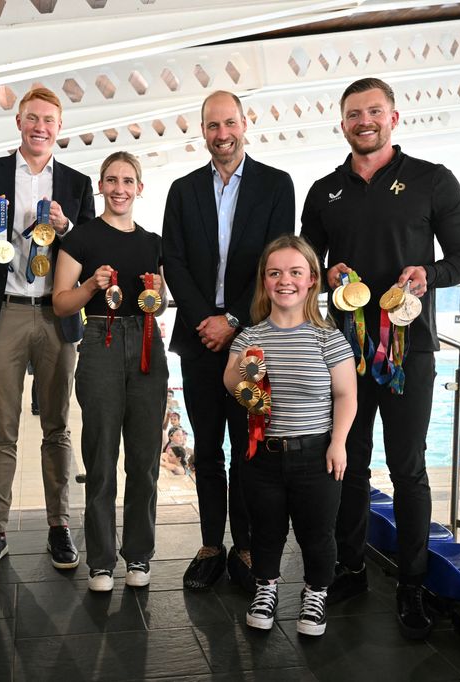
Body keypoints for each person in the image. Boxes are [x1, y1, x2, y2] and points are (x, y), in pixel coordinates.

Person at [300, 77, 460, 639]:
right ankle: (350, 568)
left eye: (373, 111)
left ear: (394, 117)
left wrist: (431, 275)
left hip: (410, 349)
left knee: (407, 469)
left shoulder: (432, 180)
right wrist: (324, 275)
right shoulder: (325, 190)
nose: (364, 121)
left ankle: (411, 584)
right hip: (345, 351)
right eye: (354, 114)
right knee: (347, 462)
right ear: (343, 123)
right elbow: (306, 263)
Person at [0, 87, 95, 578]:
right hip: (4, 314)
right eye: (32, 118)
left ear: (60, 127)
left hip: (57, 316)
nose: (41, 127)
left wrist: (69, 228)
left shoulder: (76, 183)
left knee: (57, 426)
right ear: (18, 121)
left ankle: (59, 525)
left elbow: (91, 254)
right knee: (2, 430)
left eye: (49, 120)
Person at [162, 90, 296, 593]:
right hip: (199, 340)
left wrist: (234, 320)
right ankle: (209, 546)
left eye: (229, 123)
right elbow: (173, 260)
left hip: (254, 339)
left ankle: (245, 546)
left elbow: (277, 260)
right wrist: (208, 322)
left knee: (248, 447)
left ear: (246, 123)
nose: (222, 135)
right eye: (212, 126)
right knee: (209, 448)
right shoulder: (182, 189)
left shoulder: (276, 185)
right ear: (203, 131)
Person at [223, 235, 357, 636]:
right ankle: (266, 589)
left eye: (295, 272)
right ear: (265, 281)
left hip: (316, 454)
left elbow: (346, 394)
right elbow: (230, 382)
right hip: (262, 454)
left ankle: (316, 594)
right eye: (275, 272)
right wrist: (245, 372)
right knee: (265, 532)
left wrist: (339, 442)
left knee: (317, 535)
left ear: (312, 279)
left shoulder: (328, 338)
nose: (286, 280)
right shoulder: (250, 337)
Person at [52, 151, 168, 591]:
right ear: (100, 186)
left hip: (145, 343)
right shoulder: (80, 238)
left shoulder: (153, 242)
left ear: (140, 187)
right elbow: (61, 302)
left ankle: (138, 555)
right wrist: (90, 286)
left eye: (128, 180)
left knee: (144, 460)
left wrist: (158, 291)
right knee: (101, 458)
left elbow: (161, 301)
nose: (119, 188)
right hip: (100, 339)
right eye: (111, 179)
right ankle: (101, 561)